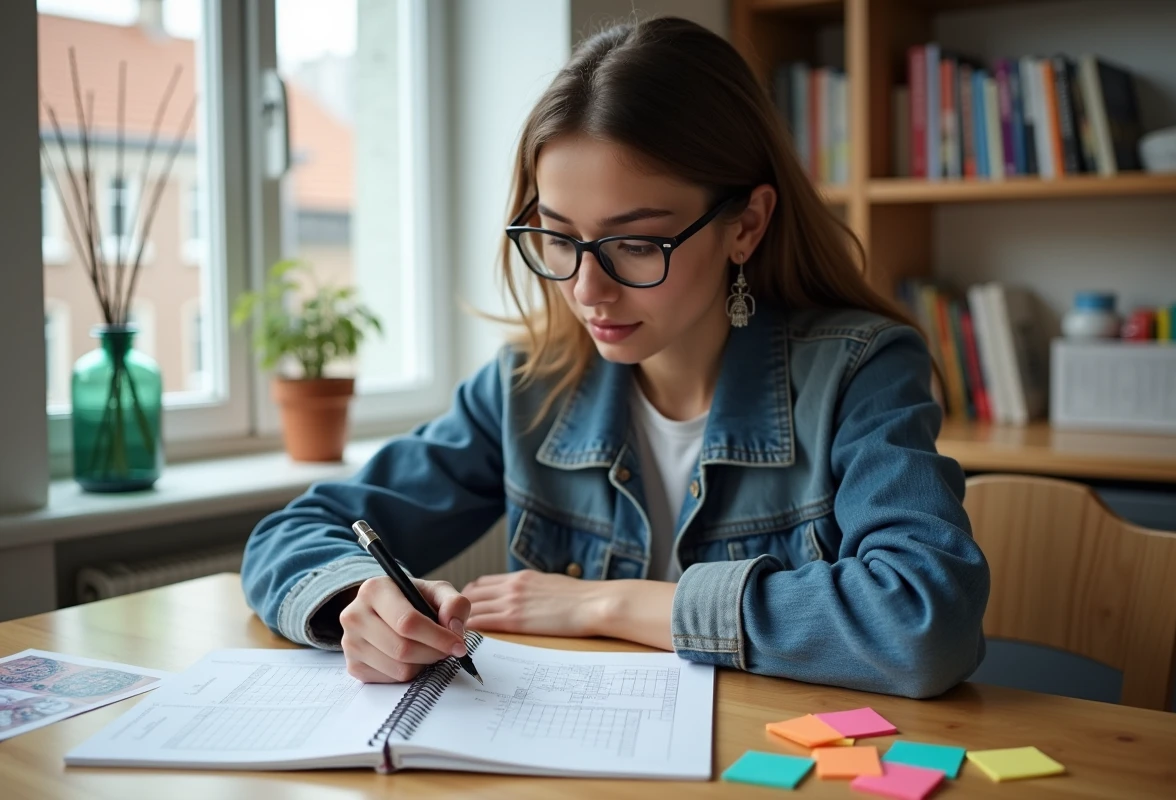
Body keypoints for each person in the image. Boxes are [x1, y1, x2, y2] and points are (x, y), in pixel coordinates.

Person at [241, 16, 989, 699]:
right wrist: (357, 601)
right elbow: (289, 536)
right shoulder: (528, 389)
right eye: (559, 238)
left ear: (747, 225)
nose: (586, 289)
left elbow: (923, 623)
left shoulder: (861, 372)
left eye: (636, 243)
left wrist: (611, 603)